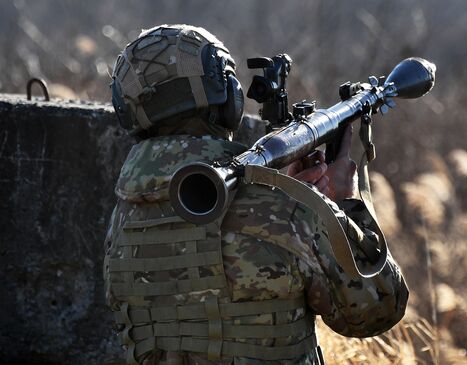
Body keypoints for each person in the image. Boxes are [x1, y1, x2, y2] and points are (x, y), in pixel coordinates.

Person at [104, 24, 408, 365]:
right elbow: (379, 307)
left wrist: (283, 193)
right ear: (223, 94)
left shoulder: (122, 219)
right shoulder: (284, 215)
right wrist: (340, 204)